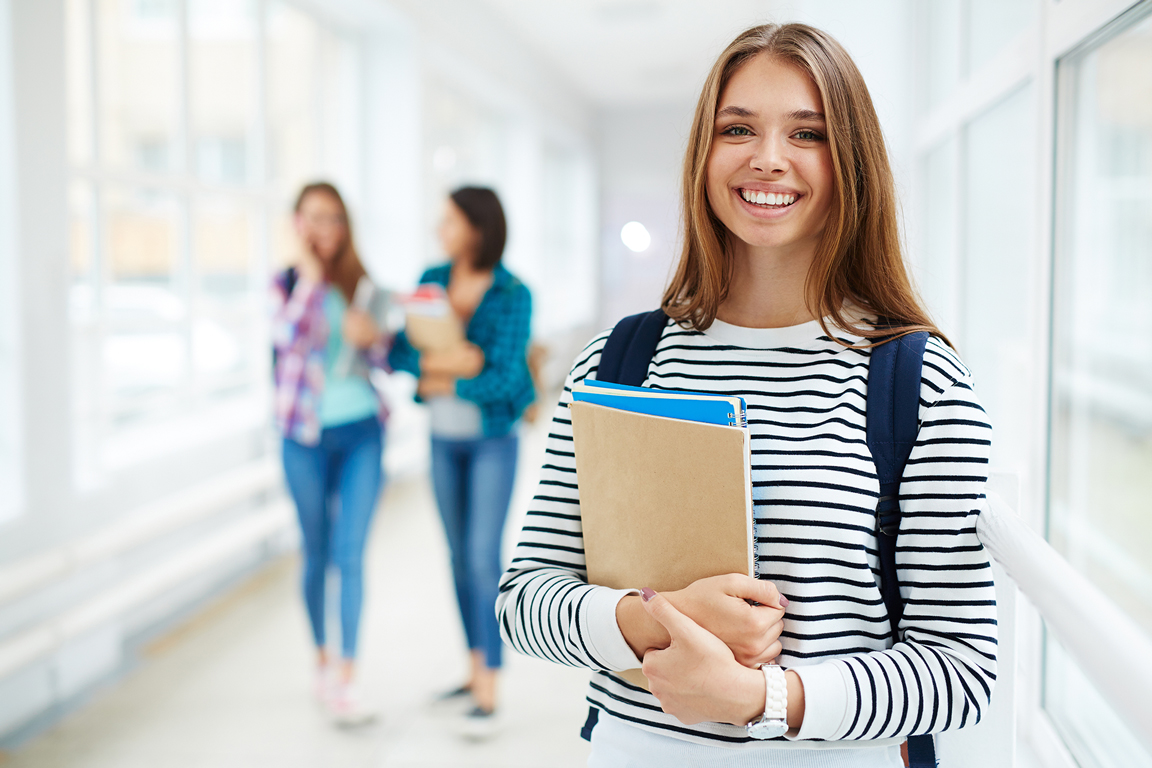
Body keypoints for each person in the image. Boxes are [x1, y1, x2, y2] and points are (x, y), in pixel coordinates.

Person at [496, 23, 996, 767]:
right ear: (704, 152)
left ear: (851, 161)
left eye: (808, 133)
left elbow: (961, 671)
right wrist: (649, 619)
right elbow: (523, 603)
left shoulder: (918, 385)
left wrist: (765, 701)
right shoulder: (619, 362)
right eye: (739, 128)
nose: (768, 158)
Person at [389, 186, 534, 737]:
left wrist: (441, 373)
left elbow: (506, 377)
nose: (439, 229)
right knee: (455, 557)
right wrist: (455, 364)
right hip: (442, 441)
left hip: (493, 441)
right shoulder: (431, 279)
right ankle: (473, 667)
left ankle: (490, 684)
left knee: (481, 557)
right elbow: (401, 353)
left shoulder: (512, 292)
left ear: (477, 227)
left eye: (448, 221)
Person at [271, 182, 391, 726]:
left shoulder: (361, 283)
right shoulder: (286, 283)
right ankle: (320, 659)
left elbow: (387, 360)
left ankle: (347, 675)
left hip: (362, 430)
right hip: (303, 436)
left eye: (334, 219)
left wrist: (373, 338)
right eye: (314, 218)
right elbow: (286, 337)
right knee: (315, 551)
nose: (324, 229)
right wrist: (312, 280)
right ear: (296, 223)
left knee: (351, 553)